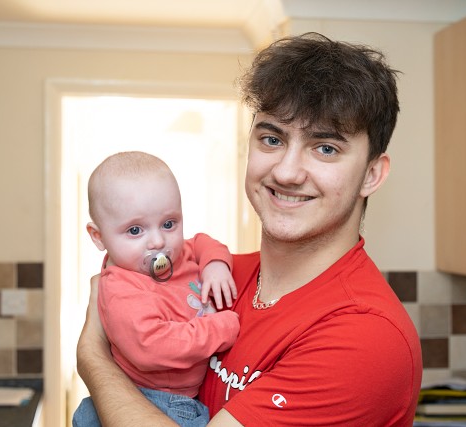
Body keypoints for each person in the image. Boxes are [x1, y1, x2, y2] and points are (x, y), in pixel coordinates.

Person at [76, 32, 423, 426]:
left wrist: (92, 356)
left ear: (372, 174)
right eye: (272, 139)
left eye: (325, 148)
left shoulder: (364, 335)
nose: (287, 172)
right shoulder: (217, 275)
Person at [73, 151, 240, 427]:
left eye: (168, 224)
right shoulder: (121, 288)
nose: (158, 241)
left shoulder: (178, 253)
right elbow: (153, 347)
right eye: (135, 230)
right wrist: (222, 328)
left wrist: (215, 264)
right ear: (98, 236)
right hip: (158, 400)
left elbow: (201, 242)